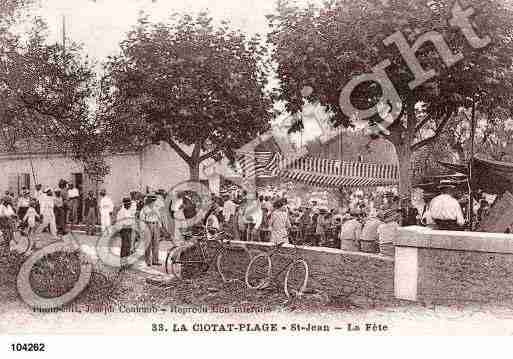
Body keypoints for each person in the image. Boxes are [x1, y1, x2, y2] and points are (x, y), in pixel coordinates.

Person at [140, 194, 161, 266]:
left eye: (154, 200)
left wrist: (159, 226)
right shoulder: (144, 209)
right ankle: (147, 261)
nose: (153, 202)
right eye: (152, 201)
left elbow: (159, 217)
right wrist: (143, 229)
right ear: (149, 201)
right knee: (148, 244)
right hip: (148, 225)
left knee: (156, 243)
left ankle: (155, 260)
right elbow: (141, 219)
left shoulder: (156, 208)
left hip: (155, 225)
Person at [116, 197, 135, 270]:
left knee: (128, 246)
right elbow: (119, 222)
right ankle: (122, 264)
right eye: (128, 204)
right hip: (124, 230)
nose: (130, 205)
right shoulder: (121, 212)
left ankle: (126, 262)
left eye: (130, 204)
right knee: (124, 246)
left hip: (130, 229)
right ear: (125, 204)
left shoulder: (130, 211)